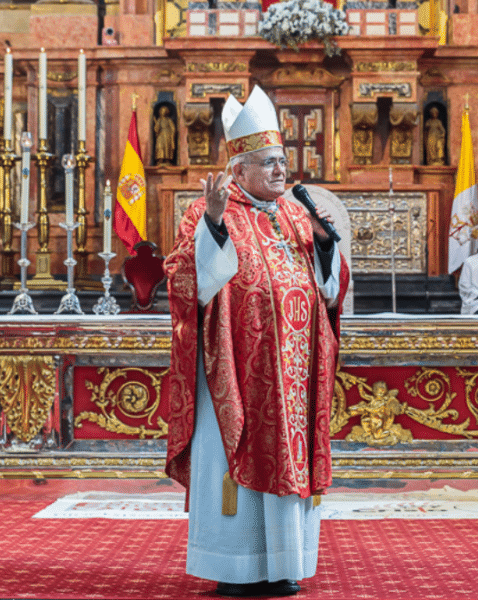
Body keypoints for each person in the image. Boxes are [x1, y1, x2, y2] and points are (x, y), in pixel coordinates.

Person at [163, 85, 349, 598]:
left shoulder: (293, 213)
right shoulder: (206, 212)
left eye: (282, 162)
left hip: (293, 374)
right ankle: (236, 567)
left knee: (290, 459)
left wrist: (328, 250)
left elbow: (326, 289)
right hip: (237, 373)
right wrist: (215, 225)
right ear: (238, 171)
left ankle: (284, 563)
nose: (280, 172)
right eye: (268, 163)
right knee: (234, 467)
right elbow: (188, 283)